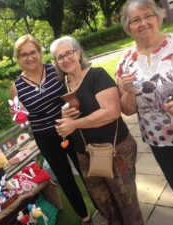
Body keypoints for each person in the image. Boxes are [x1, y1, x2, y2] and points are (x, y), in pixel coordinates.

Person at [50, 35, 144, 225]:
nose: (65, 59)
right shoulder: (65, 84)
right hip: (86, 154)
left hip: (115, 149)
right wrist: (67, 118)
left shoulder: (97, 75)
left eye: (68, 53)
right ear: (56, 62)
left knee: (127, 203)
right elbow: (75, 113)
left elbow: (112, 112)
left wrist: (75, 124)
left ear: (78, 53)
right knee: (104, 203)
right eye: (60, 57)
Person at [10, 34, 93, 225]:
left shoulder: (56, 70)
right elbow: (19, 117)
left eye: (33, 52)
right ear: (18, 58)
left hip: (70, 127)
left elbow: (73, 90)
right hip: (45, 136)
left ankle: (102, 205)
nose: (30, 57)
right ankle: (85, 217)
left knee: (86, 170)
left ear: (40, 53)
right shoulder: (16, 87)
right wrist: (17, 116)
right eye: (24, 55)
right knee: (65, 178)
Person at [116, 0, 173, 207]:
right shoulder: (125, 63)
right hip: (160, 141)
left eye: (148, 16)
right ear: (128, 26)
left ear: (159, 17)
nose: (143, 23)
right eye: (136, 20)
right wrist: (127, 93)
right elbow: (128, 110)